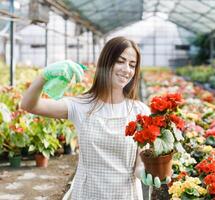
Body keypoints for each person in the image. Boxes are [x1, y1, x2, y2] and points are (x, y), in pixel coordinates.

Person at [20, 36, 168, 200]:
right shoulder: (81, 106)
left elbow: (139, 164)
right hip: (87, 193)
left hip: (126, 195)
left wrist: (148, 172)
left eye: (132, 65)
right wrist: (44, 76)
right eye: (120, 61)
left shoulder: (140, 111)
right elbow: (29, 105)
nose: (126, 69)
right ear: (106, 62)